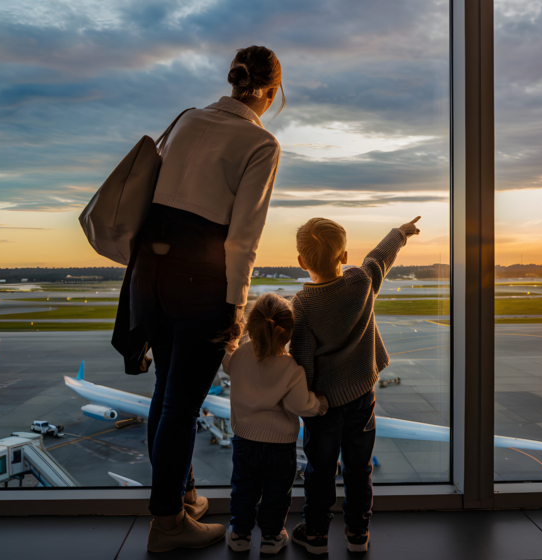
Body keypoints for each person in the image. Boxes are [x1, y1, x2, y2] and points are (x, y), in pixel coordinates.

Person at [132, 45, 285, 553]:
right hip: (199, 281)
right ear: (271, 91)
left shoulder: (186, 121)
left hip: (149, 274)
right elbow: (244, 236)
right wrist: (236, 305)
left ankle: (182, 497)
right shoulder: (260, 143)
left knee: (165, 395)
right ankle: (167, 524)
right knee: (181, 405)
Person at [288, 216, 422, 554]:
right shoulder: (360, 281)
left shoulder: (302, 305)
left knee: (320, 470)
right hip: (362, 395)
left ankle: (316, 533)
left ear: (301, 262)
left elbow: (302, 360)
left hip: (322, 405)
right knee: (359, 468)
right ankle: (358, 533)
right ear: (344, 256)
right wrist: (400, 233)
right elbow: (378, 259)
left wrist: (305, 401)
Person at [223, 292, 328, 554]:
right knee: (277, 494)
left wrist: (233, 339)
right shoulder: (292, 368)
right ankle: (271, 537)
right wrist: (320, 404)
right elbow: (300, 406)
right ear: (289, 333)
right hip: (280, 446)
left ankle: (239, 535)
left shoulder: (241, 356)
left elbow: (227, 362)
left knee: (243, 490)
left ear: (252, 326)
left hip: (244, 441)